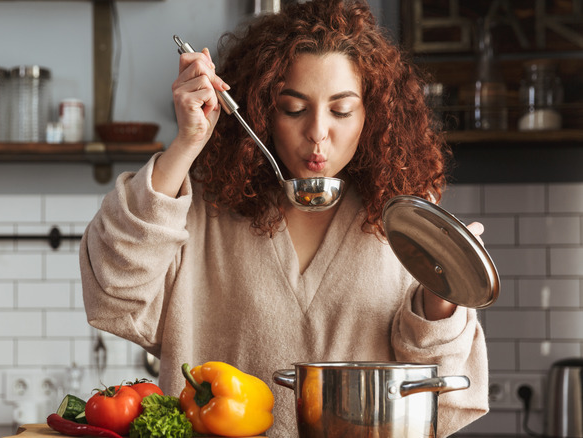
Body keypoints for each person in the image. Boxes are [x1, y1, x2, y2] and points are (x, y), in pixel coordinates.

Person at [80, 0, 489, 436]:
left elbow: (438, 397)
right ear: (261, 111)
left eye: (341, 110)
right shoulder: (202, 210)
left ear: (373, 116)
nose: (317, 131)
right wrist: (186, 144)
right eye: (293, 108)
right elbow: (115, 293)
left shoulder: (408, 222)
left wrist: (442, 294)